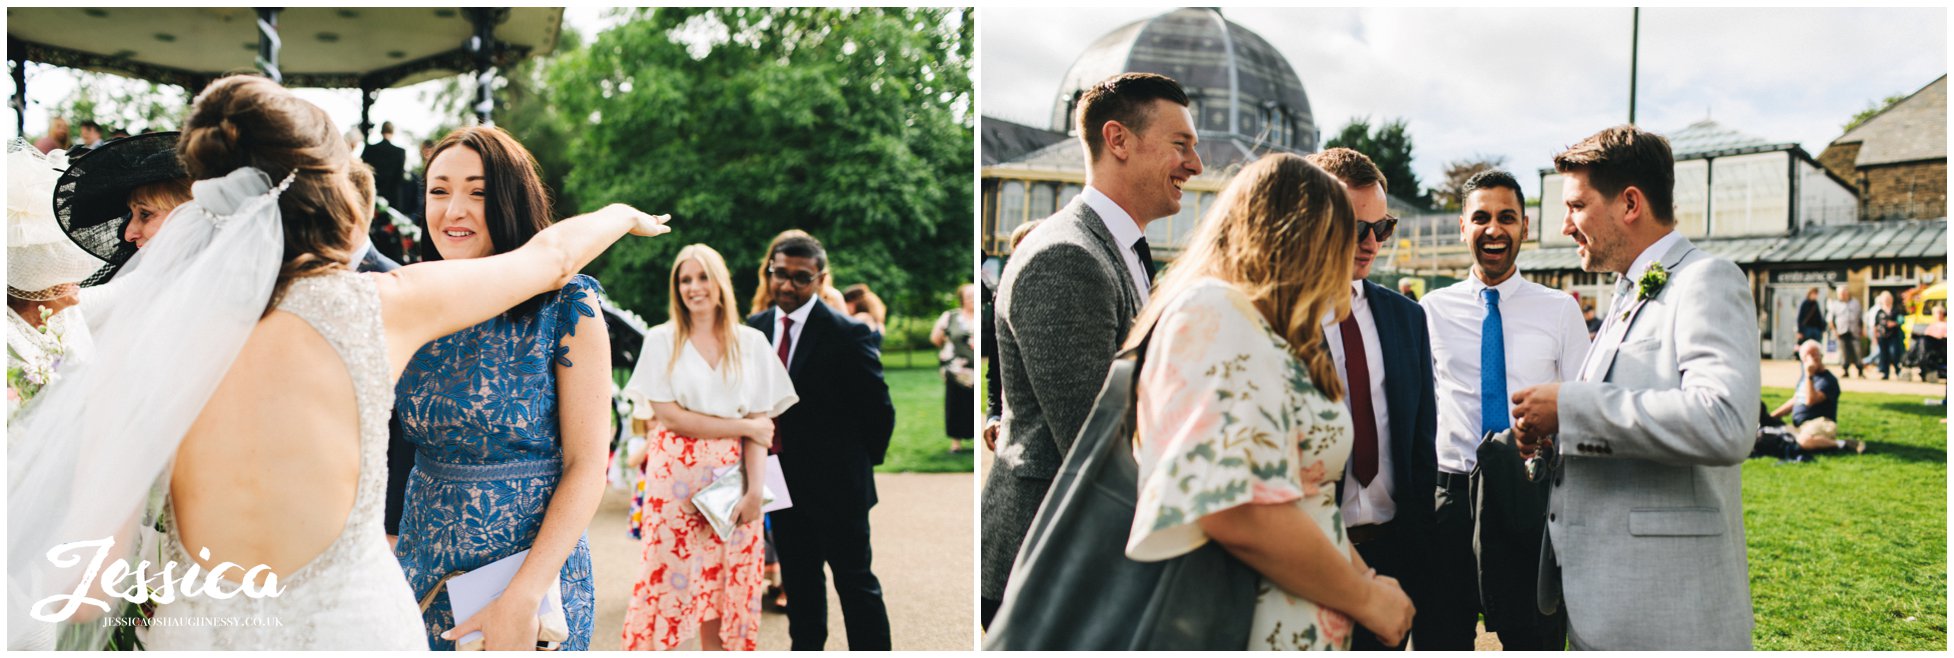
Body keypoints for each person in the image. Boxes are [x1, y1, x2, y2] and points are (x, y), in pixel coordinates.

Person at [6, 74, 670, 650]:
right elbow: (549, 260)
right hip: (355, 632)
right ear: (331, 195)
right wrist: (619, 214)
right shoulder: (380, 307)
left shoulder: (137, 347)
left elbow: (88, 591)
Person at [1118, 153, 1413, 649]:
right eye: (1341, 234)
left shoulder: (1260, 326)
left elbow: (1305, 499)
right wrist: (1365, 600)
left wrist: (1365, 581)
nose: (1358, 252)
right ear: (1293, 235)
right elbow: (1229, 507)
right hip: (1242, 628)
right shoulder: (1213, 311)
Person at [1509, 125, 1758, 650]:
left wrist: (1572, 409)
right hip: (1601, 601)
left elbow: (1727, 423)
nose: (1565, 225)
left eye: (1576, 206)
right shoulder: (1625, 294)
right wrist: (1557, 438)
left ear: (1629, 203)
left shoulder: (1706, 280)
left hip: (1667, 612)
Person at [392, 126, 625, 651]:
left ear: (510, 199)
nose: (454, 209)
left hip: (532, 571)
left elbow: (588, 463)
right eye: (439, 190)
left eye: (477, 192)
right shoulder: (414, 298)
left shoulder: (567, 306)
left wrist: (523, 594)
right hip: (423, 563)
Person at [982, 72, 1202, 627]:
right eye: (1181, 145)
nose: (1195, 166)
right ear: (1118, 140)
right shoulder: (1066, 256)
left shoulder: (1121, 247)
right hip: (1052, 564)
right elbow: (1094, 440)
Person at [1418, 170, 1586, 649]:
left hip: (1526, 495)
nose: (1494, 229)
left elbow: (1581, 402)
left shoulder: (1560, 310)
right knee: (1439, 639)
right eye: (1482, 217)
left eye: (1507, 218)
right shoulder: (1431, 310)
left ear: (1525, 228)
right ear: (1462, 227)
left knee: (1534, 638)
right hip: (1448, 499)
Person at [620, 244, 797, 651]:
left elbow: (762, 428)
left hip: (732, 480)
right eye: (685, 279)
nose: (694, 287)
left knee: (725, 584)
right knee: (665, 582)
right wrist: (745, 425)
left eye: (702, 277)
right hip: (674, 484)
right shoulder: (661, 340)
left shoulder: (750, 342)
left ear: (720, 283)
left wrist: (755, 492)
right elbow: (671, 417)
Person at [1300, 146, 1439, 650]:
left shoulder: (1407, 318)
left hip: (1394, 553)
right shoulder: (1275, 317)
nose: (1372, 242)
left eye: (1383, 227)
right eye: (1357, 227)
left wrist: (1419, 554)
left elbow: (1422, 445)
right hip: (1305, 559)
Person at [746, 233, 896, 650]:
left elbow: (879, 411)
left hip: (840, 487)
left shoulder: (847, 334)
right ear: (769, 271)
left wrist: (858, 466)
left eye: (801, 277)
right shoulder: (752, 332)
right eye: (780, 274)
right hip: (781, 485)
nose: (788, 285)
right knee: (800, 588)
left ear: (820, 278)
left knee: (856, 585)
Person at [6, 146, 104, 421]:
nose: (78, 276)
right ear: (34, 280)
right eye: (62, 267)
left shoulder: (68, 312)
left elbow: (131, 288)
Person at [1765, 340, 1861, 454]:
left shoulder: (1828, 380)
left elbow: (1810, 400)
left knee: (1803, 441)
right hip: (1800, 426)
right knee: (1767, 434)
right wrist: (1770, 417)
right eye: (1807, 356)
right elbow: (1795, 400)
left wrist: (1809, 375)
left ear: (1821, 356)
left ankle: (1842, 444)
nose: (1811, 359)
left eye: (1814, 355)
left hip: (1820, 422)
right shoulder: (1805, 378)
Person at [931, 283, 976, 453]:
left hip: (975, 367)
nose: (972, 298)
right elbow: (936, 338)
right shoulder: (950, 316)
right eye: (969, 295)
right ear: (962, 299)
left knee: (973, 403)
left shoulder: (981, 315)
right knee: (955, 404)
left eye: (974, 295)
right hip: (956, 369)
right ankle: (956, 443)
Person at [361, 121, 410, 263]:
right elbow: (399, 179)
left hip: (372, 198)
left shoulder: (369, 149)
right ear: (392, 132)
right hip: (393, 201)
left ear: (381, 132)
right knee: (391, 236)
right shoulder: (400, 152)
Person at [749, 229, 817, 316]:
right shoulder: (765, 298)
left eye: (800, 277)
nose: (787, 287)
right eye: (781, 273)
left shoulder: (830, 301)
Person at [1829, 287, 1865, 378]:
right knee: (1844, 352)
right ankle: (1845, 370)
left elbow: (1861, 317)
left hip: (1854, 331)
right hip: (1842, 331)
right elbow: (1830, 320)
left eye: (1844, 293)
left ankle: (1860, 370)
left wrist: (1863, 329)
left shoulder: (1855, 303)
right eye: (1841, 294)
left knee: (1857, 351)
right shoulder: (1835, 304)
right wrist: (1834, 331)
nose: (1843, 295)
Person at [1873, 291, 1904, 380]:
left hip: (1893, 336)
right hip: (1882, 336)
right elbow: (1875, 325)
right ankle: (1885, 373)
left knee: (1894, 353)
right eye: (1885, 299)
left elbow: (1901, 320)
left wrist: (1894, 323)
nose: (1886, 301)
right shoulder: (1879, 311)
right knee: (1884, 355)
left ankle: (1898, 371)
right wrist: (1875, 337)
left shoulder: (1896, 310)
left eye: (1888, 299)